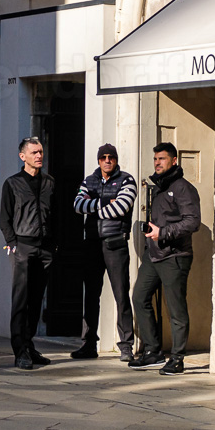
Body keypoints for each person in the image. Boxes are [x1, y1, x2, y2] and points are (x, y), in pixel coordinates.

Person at [129, 142, 201, 376]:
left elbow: (193, 222)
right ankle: (153, 351)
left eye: (162, 158)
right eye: (155, 159)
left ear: (174, 160)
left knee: (175, 308)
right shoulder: (160, 187)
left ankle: (177, 359)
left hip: (175, 256)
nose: (157, 163)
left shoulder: (183, 188)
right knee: (139, 297)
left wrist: (164, 233)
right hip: (154, 255)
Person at [71, 143, 137, 362]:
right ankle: (88, 345)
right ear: (98, 160)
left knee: (121, 295)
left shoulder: (127, 180)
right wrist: (107, 202)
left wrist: (93, 206)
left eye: (111, 157)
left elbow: (122, 207)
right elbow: (77, 205)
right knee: (91, 296)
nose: (107, 160)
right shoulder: (89, 181)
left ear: (116, 160)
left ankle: (126, 346)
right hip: (91, 244)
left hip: (115, 244)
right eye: (103, 157)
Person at [0, 136, 55, 370]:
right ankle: (19, 351)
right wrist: (13, 243)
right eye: (34, 152)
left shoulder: (49, 182)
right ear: (23, 156)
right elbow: (4, 218)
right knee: (21, 300)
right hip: (22, 246)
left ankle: (29, 345)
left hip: (45, 248)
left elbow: (56, 214)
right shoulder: (12, 184)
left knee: (36, 299)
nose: (39, 155)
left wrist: (54, 244)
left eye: (40, 151)